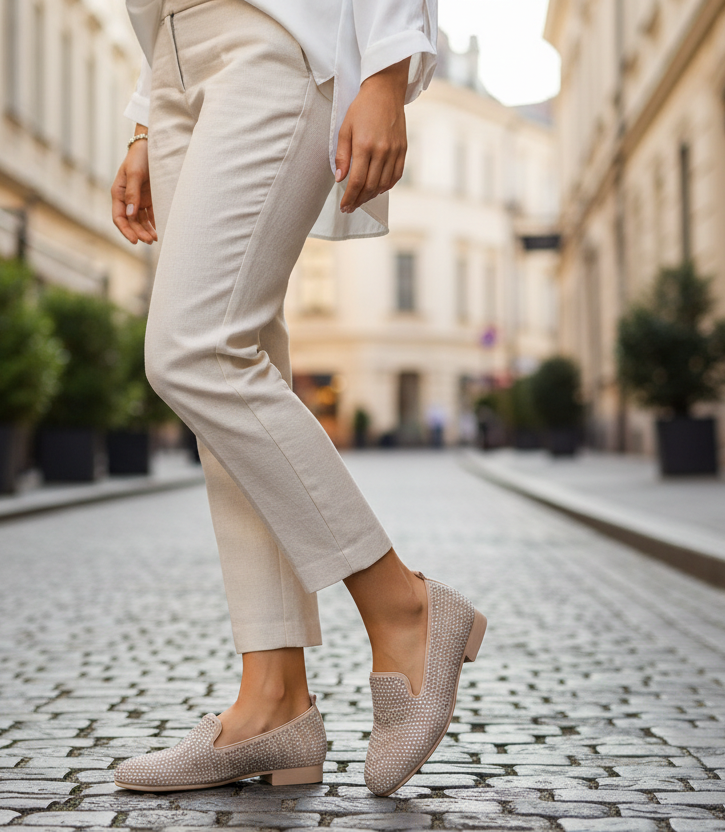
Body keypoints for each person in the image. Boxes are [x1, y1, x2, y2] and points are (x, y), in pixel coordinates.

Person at [108, 0, 487, 798]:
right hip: (173, 56)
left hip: (276, 34)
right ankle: (272, 703)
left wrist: (385, 68)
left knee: (195, 349)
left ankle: (403, 607)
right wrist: (147, 116)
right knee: (234, 374)